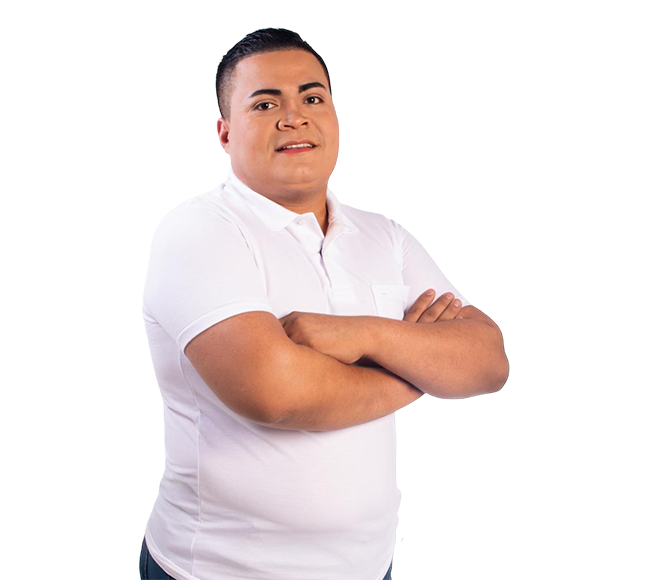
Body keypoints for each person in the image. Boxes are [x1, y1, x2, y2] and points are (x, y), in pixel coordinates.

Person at [138, 28, 509, 580]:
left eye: (312, 98)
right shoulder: (198, 232)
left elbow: (488, 362)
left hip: (368, 567)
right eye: (265, 104)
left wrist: (366, 334)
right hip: (220, 570)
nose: (294, 117)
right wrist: (422, 369)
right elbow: (276, 394)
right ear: (225, 132)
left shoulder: (385, 237)